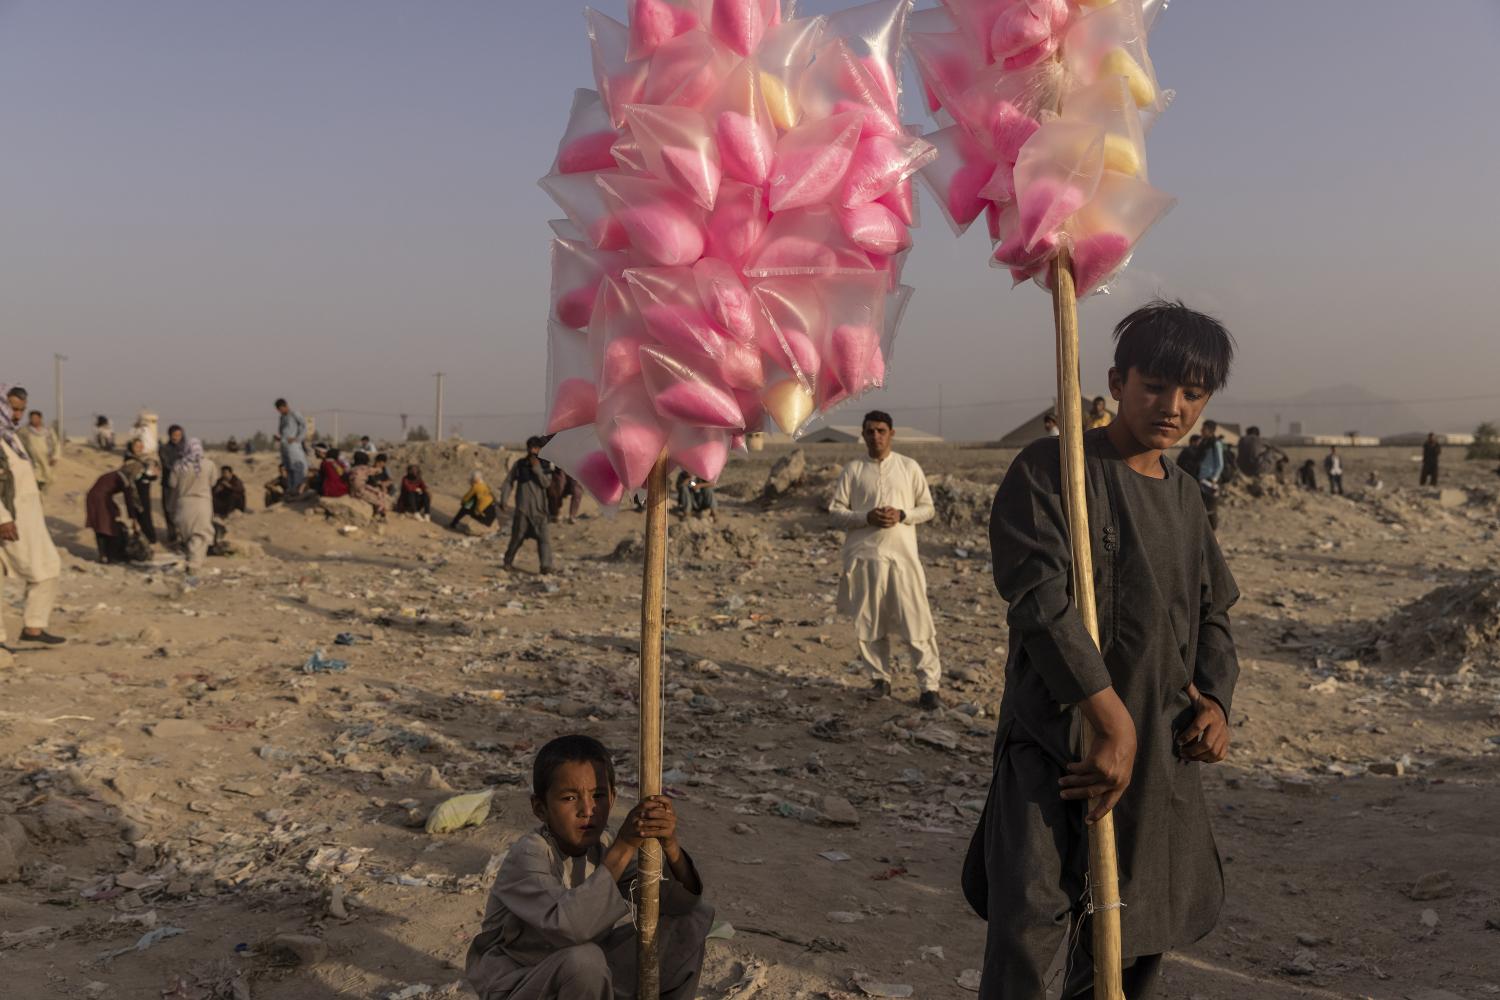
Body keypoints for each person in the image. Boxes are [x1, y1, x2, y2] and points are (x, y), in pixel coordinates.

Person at [969, 301, 1239, 1000]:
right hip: (1059, 746)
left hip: (1155, 749)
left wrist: (1214, 700)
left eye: (1192, 394)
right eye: (1154, 386)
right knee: (1028, 930)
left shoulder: (1186, 499)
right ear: (1116, 381)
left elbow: (1213, 616)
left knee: (1134, 938)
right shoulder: (1049, 470)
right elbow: (1040, 603)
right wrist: (1106, 716)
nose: (1171, 407)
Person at [465, 735, 711, 1000]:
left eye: (599, 795)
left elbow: (678, 903)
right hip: (522, 982)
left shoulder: (604, 845)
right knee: (584, 961)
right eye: (569, 798)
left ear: (613, 799)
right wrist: (625, 845)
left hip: (587, 979)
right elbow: (570, 928)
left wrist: (670, 845)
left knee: (691, 921)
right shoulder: (529, 854)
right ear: (540, 808)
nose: (587, 810)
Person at [829, 411, 942, 710]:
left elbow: (927, 508)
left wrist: (903, 515)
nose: (876, 436)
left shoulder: (908, 467)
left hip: (903, 559)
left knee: (916, 620)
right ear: (863, 435)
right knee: (869, 622)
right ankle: (880, 680)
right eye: (870, 431)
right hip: (865, 558)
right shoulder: (853, 470)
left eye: (881, 430)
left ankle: (929, 687)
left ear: (891, 433)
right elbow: (835, 511)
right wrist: (864, 517)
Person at [0, 385, 66, 657]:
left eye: (21, 410)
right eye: (12, 408)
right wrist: (3, 518)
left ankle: (33, 627)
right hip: (9, 521)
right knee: (44, 567)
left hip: (25, 519)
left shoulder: (11, 439)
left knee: (48, 566)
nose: (17, 415)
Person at [502, 438, 555, 573]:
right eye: (531, 448)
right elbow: (508, 481)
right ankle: (507, 562)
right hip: (523, 510)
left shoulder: (545, 466)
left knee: (544, 540)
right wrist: (504, 499)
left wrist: (537, 469)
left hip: (540, 511)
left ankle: (546, 566)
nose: (533, 451)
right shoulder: (520, 465)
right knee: (517, 538)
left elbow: (546, 484)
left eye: (536, 448)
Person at [85, 457, 149, 563]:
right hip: (100, 500)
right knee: (108, 527)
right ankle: (109, 556)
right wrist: (133, 519)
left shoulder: (116, 474)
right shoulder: (123, 479)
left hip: (95, 498)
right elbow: (129, 499)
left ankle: (103, 554)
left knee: (100, 527)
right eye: (138, 472)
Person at [172, 438, 217, 576]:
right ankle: (194, 567)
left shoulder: (179, 465)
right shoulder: (209, 464)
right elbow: (213, 482)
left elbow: (172, 484)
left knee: (188, 536)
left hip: (184, 504)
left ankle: (191, 565)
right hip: (202, 503)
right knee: (201, 536)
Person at [124, 439, 160, 544]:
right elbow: (134, 476)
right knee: (138, 514)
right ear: (131, 447)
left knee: (146, 514)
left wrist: (153, 475)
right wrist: (148, 476)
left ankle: (149, 538)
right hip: (135, 492)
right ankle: (144, 539)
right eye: (136, 446)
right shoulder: (130, 461)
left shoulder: (141, 460)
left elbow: (147, 475)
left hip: (144, 491)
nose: (139, 448)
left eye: (141, 446)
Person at [273, 399, 310, 495]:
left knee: (296, 466)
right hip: (284, 445)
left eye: (281, 408)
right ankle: (291, 488)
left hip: (293, 446)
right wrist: (279, 438)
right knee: (288, 467)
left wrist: (297, 439)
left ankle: (298, 488)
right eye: (278, 409)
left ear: (285, 406)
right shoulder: (282, 417)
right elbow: (283, 431)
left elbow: (304, 426)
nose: (280, 411)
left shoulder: (294, 414)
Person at [1196, 419, 1226, 531]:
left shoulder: (1216, 443)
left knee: (1211, 507)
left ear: (1210, 430)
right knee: (1202, 507)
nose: (1201, 431)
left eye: (1204, 429)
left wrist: (1214, 478)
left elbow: (1220, 463)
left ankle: (1213, 534)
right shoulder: (1204, 442)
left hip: (1211, 480)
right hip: (1202, 478)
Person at [158, 423, 187, 543]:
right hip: (168, 484)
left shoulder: (186, 448)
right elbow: (166, 464)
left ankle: (183, 534)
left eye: (179, 435)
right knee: (169, 509)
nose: (176, 437)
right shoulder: (164, 449)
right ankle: (172, 534)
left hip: (184, 483)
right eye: (174, 435)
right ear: (170, 435)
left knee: (183, 509)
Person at [20, 411, 59, 495]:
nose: (33, 420)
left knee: (47, 477)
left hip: (46, 459)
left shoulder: (48, 431)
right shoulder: (24, 431)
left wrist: (55, 457)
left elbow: (56, 444)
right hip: (32, 460)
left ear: (40, 418)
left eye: (35, 418)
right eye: (32, 418)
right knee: (35, 477)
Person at [347, 451, 388, 519]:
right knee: (379, 501)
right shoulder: (364, 468)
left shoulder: (353, 468)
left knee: (377, 492)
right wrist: (378, 467)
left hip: (357, 487)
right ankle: (379, 515)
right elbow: (378, 471)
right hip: (359, 491)